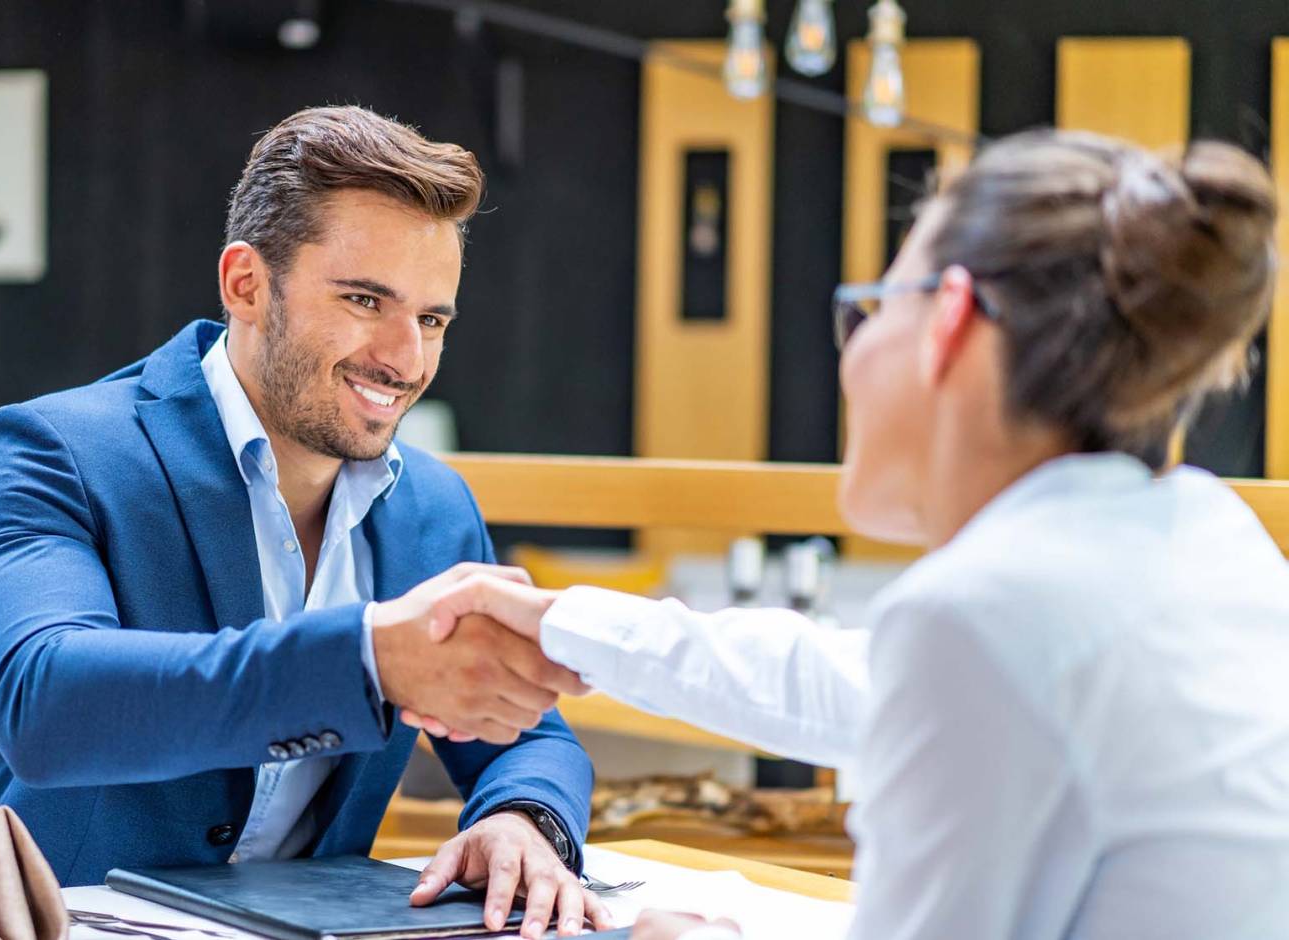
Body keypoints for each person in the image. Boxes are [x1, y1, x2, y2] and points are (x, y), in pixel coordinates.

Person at [410, 130, 1289, 938]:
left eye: (868, 308)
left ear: (947, 318)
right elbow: (845, 686)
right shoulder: (1204, 533)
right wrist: (568, 627)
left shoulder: (991, 612)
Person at [0, 105, 612, 937]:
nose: (406, 359)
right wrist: (369, 661)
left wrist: (524, 816)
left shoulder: (434, 511)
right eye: (366, 299)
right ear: (246, 285)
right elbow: (46, 705)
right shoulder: (55, 451)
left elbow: (528, 733)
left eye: (432, 319)